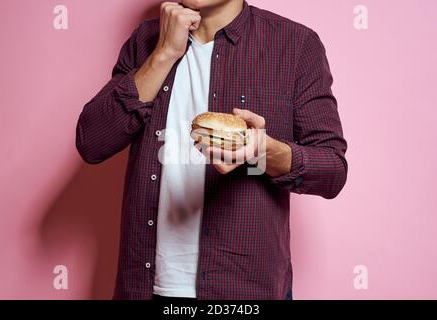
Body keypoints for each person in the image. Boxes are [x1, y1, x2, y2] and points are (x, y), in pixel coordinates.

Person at [75, 0, 348, 300]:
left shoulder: (294, 45)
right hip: (144, 289)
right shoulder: (146, 41)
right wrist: (163, 54)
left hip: (243, 293)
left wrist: (263, 151)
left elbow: (332, 169)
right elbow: (92, 142)